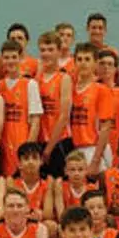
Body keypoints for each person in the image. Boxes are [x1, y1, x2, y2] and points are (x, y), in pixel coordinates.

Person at [0, 40, 42, 177]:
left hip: (22, 141)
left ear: (20, 58)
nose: (10, 61)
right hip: (3, 145)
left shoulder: (30, 84)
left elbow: (35, 121)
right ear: (2, 59)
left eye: (14, 57)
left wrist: (28, 151)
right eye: (7, 57)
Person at [70, 42, 114, 175]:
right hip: (73, 148)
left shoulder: (102, 90)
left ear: (95, 63)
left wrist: (96, 160)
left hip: (93, 148)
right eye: (79, 59)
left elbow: (105, 128)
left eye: (87, 59)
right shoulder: (70, 89)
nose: (83, 63)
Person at [35, 31, 73, 179]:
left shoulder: (64, 78)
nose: (46, 54)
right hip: (39, 142)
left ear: (59, 51)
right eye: (43, 50)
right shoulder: (36, 79)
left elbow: (64, 117)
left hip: (59, 142)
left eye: (50, 49)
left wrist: (49, 148)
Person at [8, 143, 56, 238]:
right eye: (26, 158)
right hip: (18, 221)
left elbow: (48, 213)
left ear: (41, 161)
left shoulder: (48, 181)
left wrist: (40, 215)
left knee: (51, 226)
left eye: (34, 158)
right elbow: (10, 209)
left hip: (38, 222)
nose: (31, 162)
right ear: (19, 164)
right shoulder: (11, 182)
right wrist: (29, 215)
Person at [98, 49, 119, 167]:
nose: (106, 67)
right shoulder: (91, 90)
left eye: (110, 64)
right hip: (94, 143)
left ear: (115, 69)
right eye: (102, 63)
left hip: (116, 145)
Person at [54, 150, 98, 218]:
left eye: (80, 170)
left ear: (86, 170)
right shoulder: (61, 186)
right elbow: (61, 216)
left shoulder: (92, 188)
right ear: (66, 171)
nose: (76, 173)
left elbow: (93, 215)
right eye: (72, 170)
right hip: (67, 222)